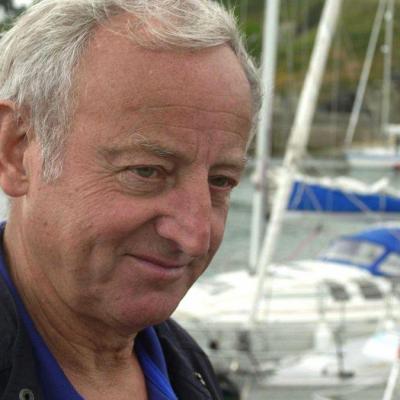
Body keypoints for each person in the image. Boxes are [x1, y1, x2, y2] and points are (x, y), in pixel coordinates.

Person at [0, 0, 260, 399]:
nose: (195, 237)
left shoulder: (188, 368)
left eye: (221, 181)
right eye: (146, 172)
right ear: (16, 152)